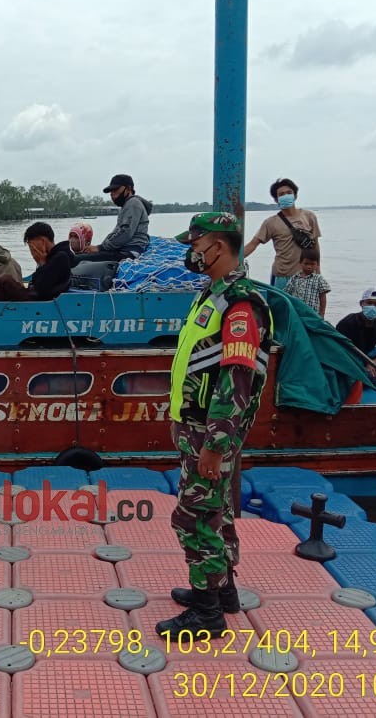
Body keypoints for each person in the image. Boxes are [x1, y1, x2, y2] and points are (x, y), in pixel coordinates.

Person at [157, 212, 272, 638]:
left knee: (194, 518)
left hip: (210, 433)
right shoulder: (213, 296)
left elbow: (236, 380)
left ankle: (206, 613)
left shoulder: (241, 306)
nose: (192, 252)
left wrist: (215, 443)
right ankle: (223, 591)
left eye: (195, 244)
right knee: (218, 511)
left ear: (217, 246)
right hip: (195, 427)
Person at [244, 177, 321, 288]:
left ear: (295, 195)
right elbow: (253, 244)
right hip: (282, 275)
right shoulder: (270, 223)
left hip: (306, 274)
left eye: (289, 192)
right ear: (276, 199)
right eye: (281, 194)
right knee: (281, 305)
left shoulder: (309, 216)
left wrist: (318, 270)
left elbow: (316, 245)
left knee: (308, 305)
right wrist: (234, 260)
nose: (286, 196)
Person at [73, 174, 152, 263]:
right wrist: (101, 247)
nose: (112, 194)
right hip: (123, 249)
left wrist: (100, 248)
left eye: (115, 190)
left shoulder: (133, 203)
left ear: (128, 189)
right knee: (79, 255)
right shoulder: (127, 205)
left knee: (76, 259)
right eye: (111, 191)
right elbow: (118, 232)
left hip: (129, 252)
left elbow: (125, 233)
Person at [0, 222, 73, 301]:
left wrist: (42, 263)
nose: (32, 251)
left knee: (5, 280)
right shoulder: (53, 257)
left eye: (32, 246)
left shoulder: (61, 257)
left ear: (42, 241)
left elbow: (41, 288)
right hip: (37, 296)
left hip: (41, 302)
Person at [336, 287, 376, 382]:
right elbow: (339, 351)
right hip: (350, 360)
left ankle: (374, 372)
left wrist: (373, 363)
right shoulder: (348, 322)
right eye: (369, 303)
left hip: (368, 360)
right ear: (362, 304)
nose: (372, 306)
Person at [283, 248, 330, 316]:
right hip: (297, 313)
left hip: (313, 314)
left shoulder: (318, 279)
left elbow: (323, 297)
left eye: (312, 264)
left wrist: (322, 314)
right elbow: (286, 294)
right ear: (300, 263)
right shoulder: (295, 278)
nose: (309, 266)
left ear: (317, 264)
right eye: (306, 263)